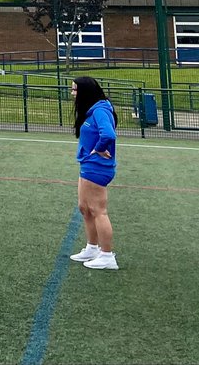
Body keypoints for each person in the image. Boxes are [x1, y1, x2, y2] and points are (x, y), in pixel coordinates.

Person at [68, 76, 119, 270]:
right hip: (87, 164)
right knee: (84, 207)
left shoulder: (100, 110)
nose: (72, 94)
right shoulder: (92, 110)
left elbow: (108, 134)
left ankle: (107, 256)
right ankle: (92, 247)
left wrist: (98, 148)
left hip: (97, 166)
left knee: (98, 210)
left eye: (75, 90)